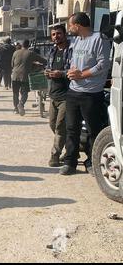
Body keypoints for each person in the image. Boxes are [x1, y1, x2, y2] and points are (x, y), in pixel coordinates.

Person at [60, 12, 111, 176]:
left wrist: (82, 74)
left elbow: (103, 64)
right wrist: (72, 72)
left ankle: (92, 162)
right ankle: (70, 162)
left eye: (70, 25)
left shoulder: (99, 39)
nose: (69, 28)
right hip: (73, 92)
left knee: (93, 130)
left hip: (91, 94)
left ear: (78, 25)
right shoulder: (76, 41)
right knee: (71, 129)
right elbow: (76, 62)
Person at [44, 25, 71, 168]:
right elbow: (48, 67)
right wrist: (47, 72)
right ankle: (72, 148)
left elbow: (74, 70)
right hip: (53, 94)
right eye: (53, 34)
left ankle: (55, 156)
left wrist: (61, 73)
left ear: (65, 34)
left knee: (60, 127)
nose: (56, 36)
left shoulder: (71, 50)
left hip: (67, 95)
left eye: (59, 34)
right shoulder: (52, 51)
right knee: (52, 124)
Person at [11, 40, 47, 116]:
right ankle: (21, 104)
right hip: (25, 76)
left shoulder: (15, 52)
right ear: (29, 45)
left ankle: (16, 109)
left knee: (15, 93)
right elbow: (43, 60)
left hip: (15, 76)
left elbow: (12, 64)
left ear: (21, 45)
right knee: (25, 92)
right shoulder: (31, 53)